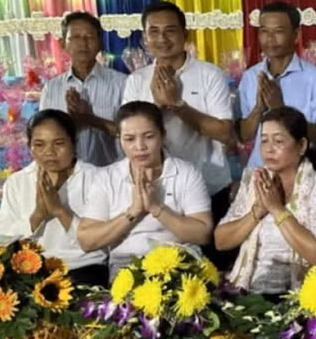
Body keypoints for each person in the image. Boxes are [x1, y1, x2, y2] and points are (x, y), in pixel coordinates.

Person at [122, 1, 233, 231]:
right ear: (145, 39)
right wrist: (158, 105)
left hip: (208, 183)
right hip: (156, 190)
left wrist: (177, 105)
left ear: (185, 34)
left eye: (170, 31)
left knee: (212, 263)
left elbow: (224, 132)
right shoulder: (136, 80)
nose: (162, 39)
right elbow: (128, 134)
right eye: (154, 32)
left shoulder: (209, 74)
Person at [77, 101, 214, 279]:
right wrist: (134, 211)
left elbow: (202, 234)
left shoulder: (186, 173)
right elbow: (87, 241)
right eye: (129, 139)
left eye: (148, 136)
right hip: (127, 267)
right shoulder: (106, 178)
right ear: (119, 139)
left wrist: (156, 208)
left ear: (162, 135)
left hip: (180, 264)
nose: (140, 146)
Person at [215, 107, 316, 295]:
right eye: (264, 141)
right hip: (247, 290)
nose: (269, 149)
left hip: (298, 297)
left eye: (278, 141)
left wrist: (277, 209)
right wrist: (257, 212)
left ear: (302, 145)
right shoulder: (254, 180)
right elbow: (220, 240)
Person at [0, 110, 104, 286]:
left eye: (58, 143)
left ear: (74, 143)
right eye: (39, 145)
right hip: (30, 271)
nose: (49, 152)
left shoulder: (97, 178)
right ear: (29, 147)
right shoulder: (17, 182)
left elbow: (101, 242)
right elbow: (1, 238)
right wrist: (37, 216)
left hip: (83, 268)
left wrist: (60, 211)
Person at [237, 1, 316, 167]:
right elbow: (243, 135)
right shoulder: (251, 77)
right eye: (264, 31)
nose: (269, 39)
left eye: (278, 31)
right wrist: (258, 109)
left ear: (296, 34)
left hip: (301, 176)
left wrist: (281, 110)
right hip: (259, 172)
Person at [39, 12, 126, 166]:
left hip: (110, 175)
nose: (83, 44)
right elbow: (44, 136)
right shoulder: (51, 88)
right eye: (75, 38)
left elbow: (131, 134)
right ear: (62, 44)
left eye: (90, 37)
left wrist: (90, 119)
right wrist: (70, 122)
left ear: (100, 43)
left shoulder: (121, 83)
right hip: (66, 176)